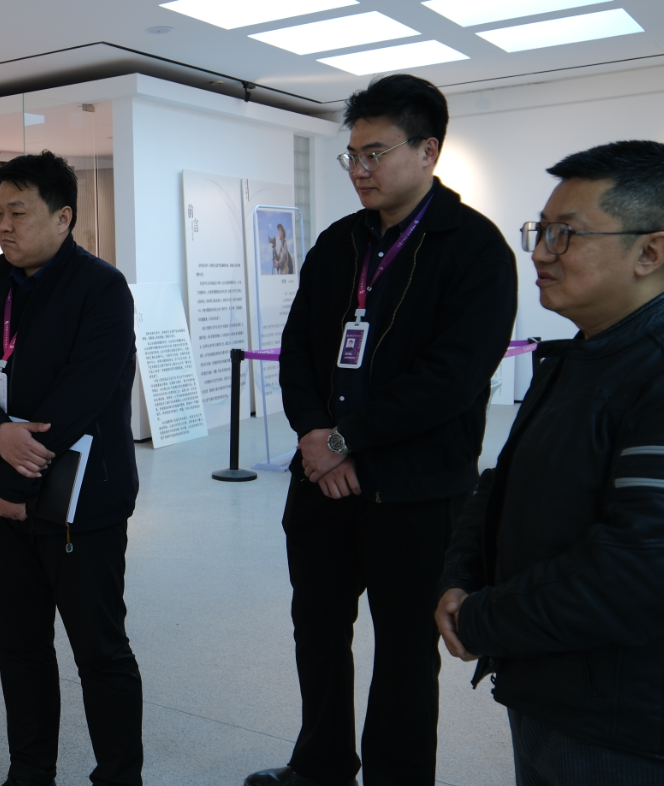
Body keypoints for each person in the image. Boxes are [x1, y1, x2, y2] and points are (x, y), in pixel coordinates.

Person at [245, 74, 518, 786]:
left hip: (417, 490)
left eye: (376, 154)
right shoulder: (339, 243)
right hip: (321, 483)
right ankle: (322, 764)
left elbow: (451, 378)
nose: (360, 169)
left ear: (428, 151)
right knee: (318, 632)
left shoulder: (476, 249)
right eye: (353, 155)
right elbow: (298, 348)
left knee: (404, 650)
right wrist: (315, 435)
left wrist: (345, 439)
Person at [437, 140, 664, 783]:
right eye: (540, 231)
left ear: (650, 253)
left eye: (566, 234)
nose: (539, 253)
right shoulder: (580, 355)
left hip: (618, 722)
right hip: (549, 678)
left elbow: (638, 569)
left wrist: (482, 618)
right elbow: (503, 483)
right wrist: (460, 576)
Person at [0, 150, 142, 786]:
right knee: (18, 644)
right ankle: (30, 771)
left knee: (99, 650)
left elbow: (85, 392)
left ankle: (119, 776)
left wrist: (10, 478)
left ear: (63, 218)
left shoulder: (101, 288)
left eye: (19, 212)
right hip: (1, 501)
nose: (4, 225)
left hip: (82, 503)